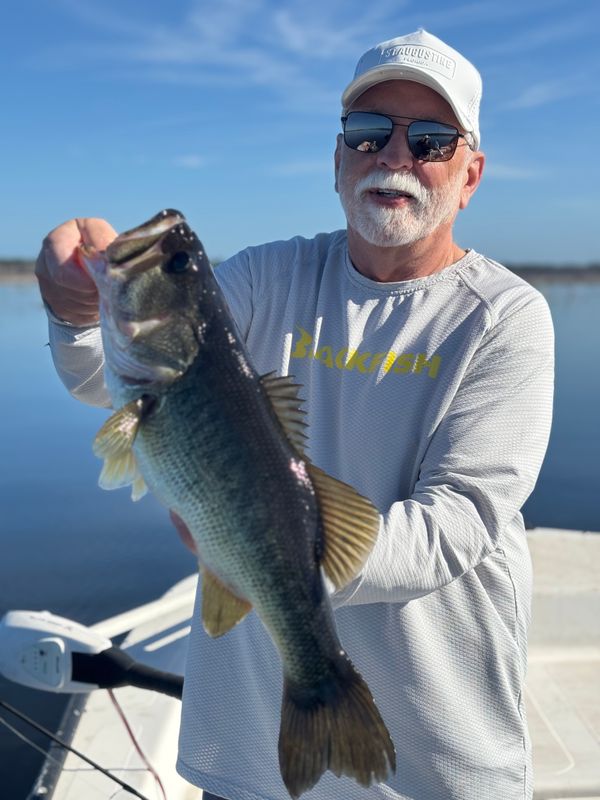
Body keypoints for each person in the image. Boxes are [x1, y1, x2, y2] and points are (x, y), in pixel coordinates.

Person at [35, 28, 554, 800]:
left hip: (437, 753)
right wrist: (77, 311)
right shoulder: (266, 276)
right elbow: (125, 386)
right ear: (338, 160)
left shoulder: (505, 318)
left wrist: (270, 551)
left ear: (470, 174)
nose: (394, 156)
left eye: (432, 140)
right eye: (369, 132)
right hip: (253, 747)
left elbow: (461, 522)